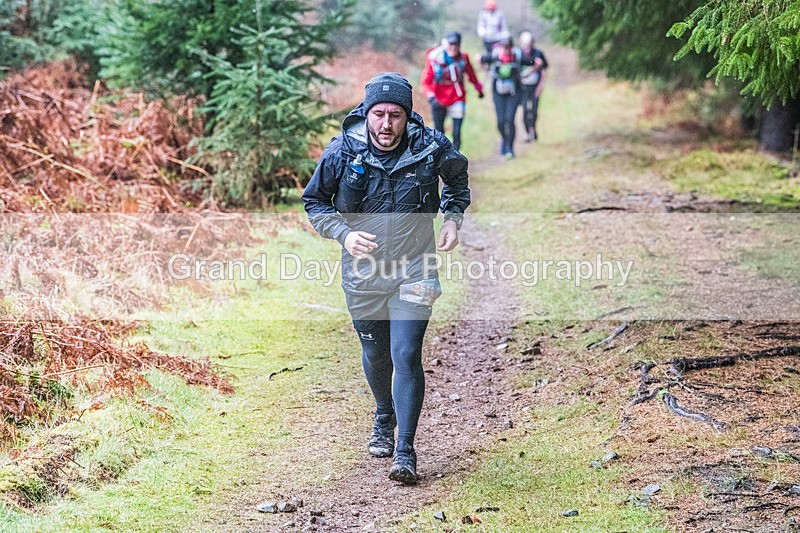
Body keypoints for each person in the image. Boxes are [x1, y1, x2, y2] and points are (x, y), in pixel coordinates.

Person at [302, 72, 470, 485]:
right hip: (363, 272)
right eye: (378, 114)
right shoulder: (343, 150)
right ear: (366, 113)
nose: (386, 124)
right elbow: (314, 202)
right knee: (376, 354)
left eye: (395, 115)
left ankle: (405, 450)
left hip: (416, 265)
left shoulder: (431, 147)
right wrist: (344, 233)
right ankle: (383, 415)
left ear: (407, 115)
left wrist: (452, 219)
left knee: (406, 354)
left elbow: (458, 179)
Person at [421, 31, 484, 151]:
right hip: (438, 97)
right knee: (438, 132)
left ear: (460, 45)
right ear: (447, 44)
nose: (453, 47)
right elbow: (426, 80)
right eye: (451, 44)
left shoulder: (463, 58)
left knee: (456, 132)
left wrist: (479, 89)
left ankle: (455, 160)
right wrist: (430, 96)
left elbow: (471, 74)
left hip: (457, 97)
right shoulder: (435, 58)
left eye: (456, 44)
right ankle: (440, 160)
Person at [482, 36, 535, 158]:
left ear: (511, 47)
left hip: (514, 92)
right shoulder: (495, 56)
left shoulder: (517, 56)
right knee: (500, 122)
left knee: (509, 120)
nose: (506, 50)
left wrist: (525, 75)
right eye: (504, 48)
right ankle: (505, 140)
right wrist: (488, 74)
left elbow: (535, 62)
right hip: (498, 92)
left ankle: (510, 148)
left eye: (508, 48)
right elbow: (480, 59)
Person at [518, 32, 548, 142]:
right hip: (524, 88)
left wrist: (541, 86)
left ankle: (533, 130)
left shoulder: (538, 53)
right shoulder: (519, 54)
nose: (527, 47)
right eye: (525, 45)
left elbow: (544, 69)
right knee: (525, 111)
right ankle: (527, 133)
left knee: (534, 111)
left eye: (529, 45)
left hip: (535, 87)